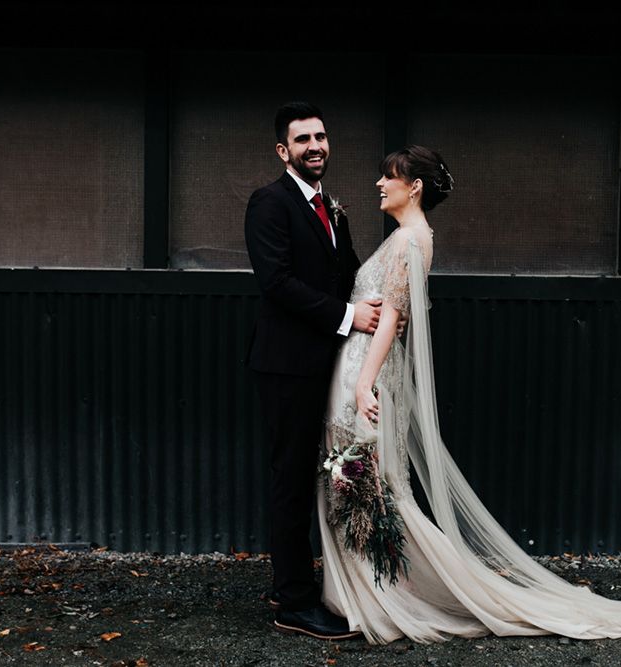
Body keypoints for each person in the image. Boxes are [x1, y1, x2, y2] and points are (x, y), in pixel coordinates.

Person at [317, 144, 621, 643]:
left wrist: (365, 382)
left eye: (388, 176)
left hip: (363, 370)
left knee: (364, 480)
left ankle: (383, 596)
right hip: (357, 364)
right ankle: (361, 590)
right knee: (356, 479)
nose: (378, 183)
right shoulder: (409, 238)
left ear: (413, 186)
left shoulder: (411, 240)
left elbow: (394, 318)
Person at [245, 102, 395, 640]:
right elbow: (277, 283)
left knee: (320, 476)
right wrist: (352, 318)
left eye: (322, 137)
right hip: (286, 366)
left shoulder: (333, 208)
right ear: (284, 151)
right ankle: (292, 602)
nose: (316, 146)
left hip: (327, 364)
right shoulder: (268, 203)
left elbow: (347, 272)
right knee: (290, 480)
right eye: (303, 139)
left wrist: (387, 298)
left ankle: (298, 582)